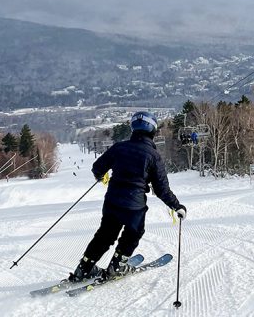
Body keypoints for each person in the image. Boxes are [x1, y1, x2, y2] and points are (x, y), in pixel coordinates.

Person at [69, 111, 187, 282]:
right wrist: (177, 206)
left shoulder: (119, 147)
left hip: (112, 201)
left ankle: (84, 268)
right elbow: (162, 189)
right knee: (133, 233)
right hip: (134, 206)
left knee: (105, 235)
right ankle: (116, 267)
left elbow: (97, 167)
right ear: (152, 131)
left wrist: (101, 176)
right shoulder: (153, 156)